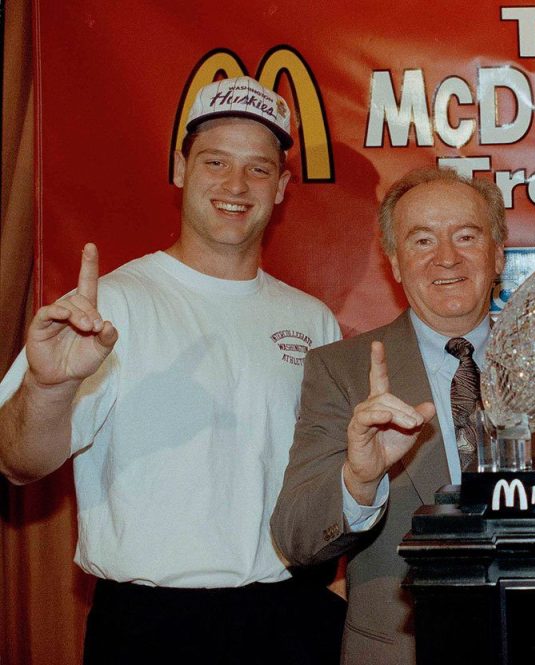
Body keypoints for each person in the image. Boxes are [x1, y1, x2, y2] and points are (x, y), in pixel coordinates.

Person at [0, 76, 345, 664]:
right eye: (215, 161)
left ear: (283, 187)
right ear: (181, 170)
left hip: (292, 621)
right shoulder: (109, 307)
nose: (236, 185)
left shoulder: (311, 320)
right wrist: (48, 387)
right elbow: (17, 462)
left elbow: (329, 481)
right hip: (152, 630)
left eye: (259, 168)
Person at [271, 166, 535, 664]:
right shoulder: (342, 370)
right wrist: (359, 480)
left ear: (499, 254)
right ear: (393, 261)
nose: (447, 258)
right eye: (422, 240)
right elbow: (296, 538)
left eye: (467, 236)